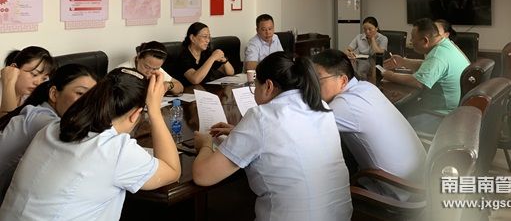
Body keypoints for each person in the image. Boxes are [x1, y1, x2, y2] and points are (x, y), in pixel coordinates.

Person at [0, 67, 180, 221]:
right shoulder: (114, 149)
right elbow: (172, 170)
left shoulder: (53, 128)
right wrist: (154, 111)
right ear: (136, 114)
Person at [192, 52, 352, 221]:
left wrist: (205, 144)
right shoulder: (320, 106)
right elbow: (288, 137)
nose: (254, 91)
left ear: (268, 86)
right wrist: (239, 133)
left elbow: (203, 176)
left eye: (255, 86)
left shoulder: (261, 116)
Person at [312, 49, 425, 200]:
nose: (313, 85)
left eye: (319, 79)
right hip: (418, 179)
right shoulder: (367, 87)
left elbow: (304, 129)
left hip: (396, 192)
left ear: (343, 80)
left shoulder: (345, 105)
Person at [0, 63, 97, 203]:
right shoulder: (43, 120)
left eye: (93, 98)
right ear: (54, 94)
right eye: (80, 93)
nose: (87, 103)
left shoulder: (37, 111)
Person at [381, 18, 469, 133]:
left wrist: (388, 75)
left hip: (441, 116)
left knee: (391, 123)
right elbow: (428, 66)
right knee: (401, 109)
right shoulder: (445, 45)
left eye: (413, 38)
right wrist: (403, 62)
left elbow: (417, 82)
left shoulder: (437, 55)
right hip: (454, 111)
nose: (411, 41)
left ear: (425, 41)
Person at [0, 47, 54, 118]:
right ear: (14, 68)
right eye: (34, 74)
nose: (38, 83)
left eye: (44, 78)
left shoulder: (30, 96)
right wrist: (9, 83)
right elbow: (8, 123)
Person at [119, 41, 184, 95]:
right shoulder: (122, 71)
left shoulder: (154, 67)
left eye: (155, 69)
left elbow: (180, 87)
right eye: (146, 67)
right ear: (138, 57)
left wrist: (168, 85)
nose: (149, 72)